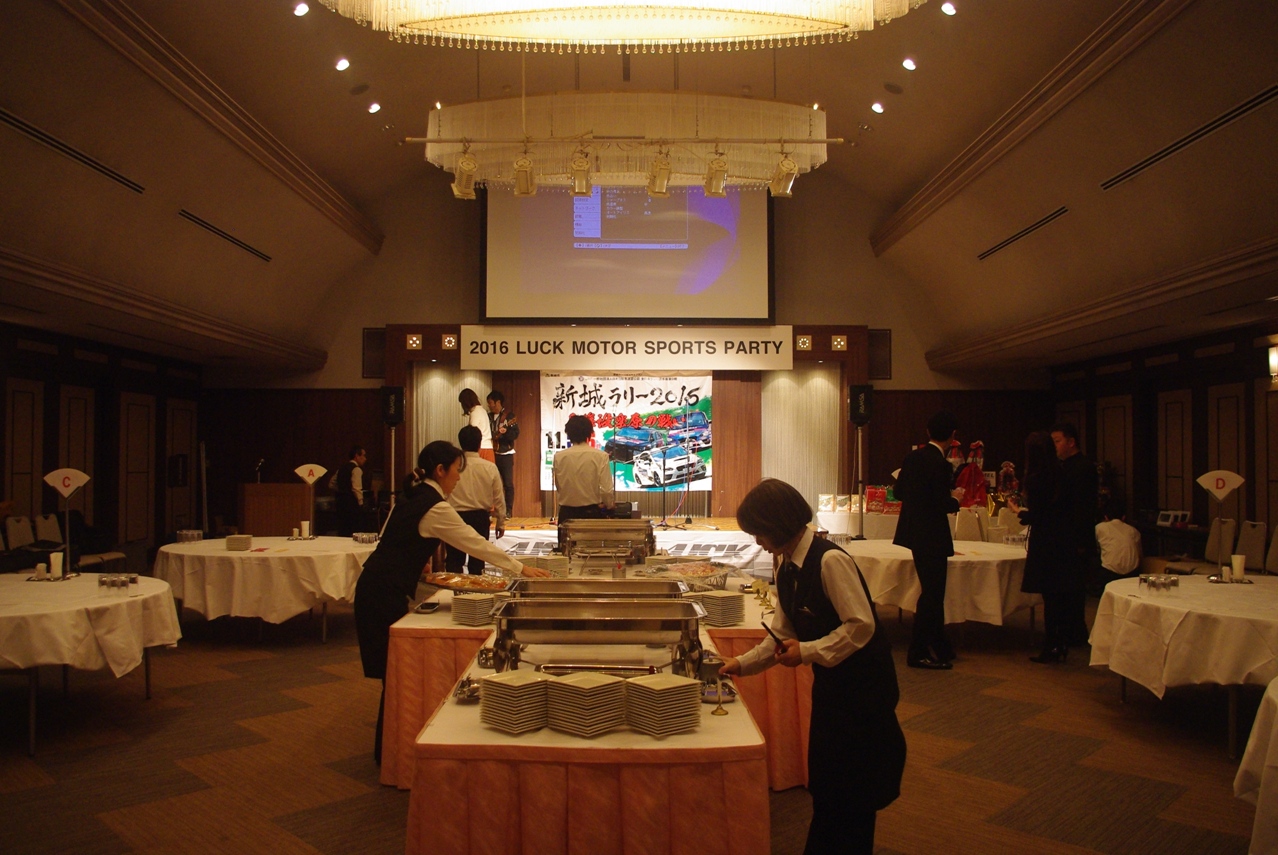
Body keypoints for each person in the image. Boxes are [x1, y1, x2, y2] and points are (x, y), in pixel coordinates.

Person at [719, 479, 906, 855]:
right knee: (827, 786)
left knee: (854, 793)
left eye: (758, 532)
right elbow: (781, 633)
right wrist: (738, 664)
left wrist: (807, 651)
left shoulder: (830, 561)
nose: (757, 541)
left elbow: (861, 626)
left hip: (864, 691)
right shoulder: (787, 566)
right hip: (832, 687)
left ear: (776, 524)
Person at [353, 440, 549, 763]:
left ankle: (390, 752)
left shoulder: (415, 494)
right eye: (457, 470)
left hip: (374, 587)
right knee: (395, 675)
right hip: (381, 594)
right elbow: (473, 542)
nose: (459, 477)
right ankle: (390, 755)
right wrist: (520, 568)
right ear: (440, 470)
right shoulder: (434, 506)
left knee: (393, 674)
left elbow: (392, 537)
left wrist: (416, 560)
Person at [892, 411, 964, 670]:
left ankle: (941, 645)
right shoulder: (941, 464)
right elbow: (942, 504)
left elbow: (898, 492)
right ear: (953, 436)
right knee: (933, 595)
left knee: (930, 591)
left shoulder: (912, 458)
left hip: (914, 532)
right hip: (933, 535)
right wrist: (956, 499)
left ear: (928, 432)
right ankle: (918, 651)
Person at [1008, 431, 1074, 663]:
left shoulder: (1036, 479)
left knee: (1049, 595)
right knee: (1059, 595)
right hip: (1064, 539)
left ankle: (1052, 645)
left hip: (1045, 541)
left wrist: (1019, 512)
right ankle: (1060, 641)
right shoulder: (1062, 473)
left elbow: (1038, 516)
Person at [1052, 421, 1099, 646]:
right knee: (1065, 588)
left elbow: (1084, 508)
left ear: (1071, 442)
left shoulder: (1083, 467)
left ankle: (1076, 634)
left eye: (1057, 441)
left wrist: (1080, 541)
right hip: (1065, 536)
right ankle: (1067, 631)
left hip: (1076, 537)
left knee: (1074, 589)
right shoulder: (1064, 466)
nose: (1055, 446)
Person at [446, 426, 506, 575]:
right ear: (480, 444)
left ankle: (453, 590)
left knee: (454, 563)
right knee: (477, 564)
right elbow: (499, 497)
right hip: (480, 518)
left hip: (454, 517)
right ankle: (476, 589)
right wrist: (501, 522)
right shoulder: (490, 467)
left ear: (460, 443)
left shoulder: (452, 468)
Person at [552, 414, 614, 524]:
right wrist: (609, 505)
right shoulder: (601, 456)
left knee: (566, 536)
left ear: (568, 434)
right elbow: (606, 490)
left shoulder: (559, 457)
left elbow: (559, 485)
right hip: (591, 513)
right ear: (590, 433)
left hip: (566, 513)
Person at [1094, 498, 1142, 592]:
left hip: (1109, 575)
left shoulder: (1100, 527)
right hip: (1132, 575)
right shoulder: (1134, 531)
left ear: (1106, 517)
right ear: (1123, 517)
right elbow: (1140, 555)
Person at [487, 390, 519, 518]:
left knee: (508, 484)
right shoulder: (487, 417)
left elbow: (515, 434)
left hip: (506, 454)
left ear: (498, 402)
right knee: (490, 483)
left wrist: (505, 433)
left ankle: (508, 511)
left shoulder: (509, 417)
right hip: (491, 452)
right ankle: (490, 510)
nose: (489, 405)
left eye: (490, 403)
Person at [332, 445, 366, 536]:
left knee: (343, 530)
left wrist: (342, 489)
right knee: (354, 531)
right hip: (352, 504)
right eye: (363, 455)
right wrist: (361, 503)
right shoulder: (356, 469)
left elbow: (331, 483)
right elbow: (356, 488)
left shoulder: (341, 468)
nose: (365, 459)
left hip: (340, 503)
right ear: (357, 456)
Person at [458, 388, 495, 463]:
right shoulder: (482, 410)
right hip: (488, 448)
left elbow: (472, 435)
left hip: (481, 448)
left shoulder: (475, 412)